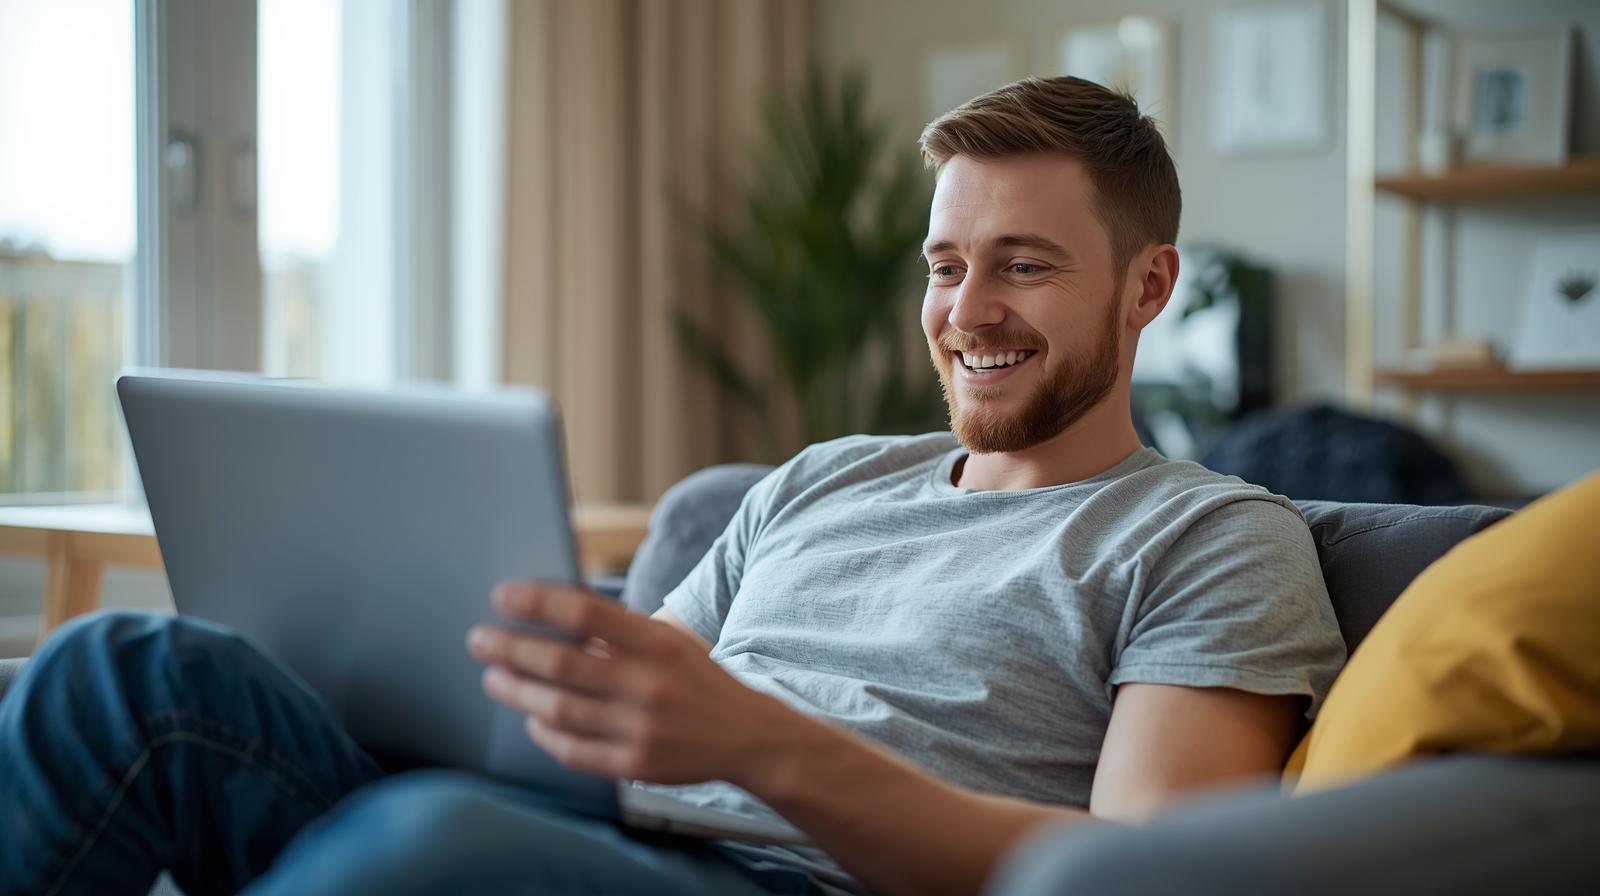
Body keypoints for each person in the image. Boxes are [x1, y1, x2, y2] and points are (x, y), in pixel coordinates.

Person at [0, 77, 1345, 896]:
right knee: (115, 669)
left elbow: (1149, 874)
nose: (967, 309)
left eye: (1025, 264)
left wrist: (761, 742)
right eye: (945, 265)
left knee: (433, 848)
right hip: (592, 822)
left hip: (787, 879)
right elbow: (635, 697)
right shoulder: (821, 479)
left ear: (1147, 286)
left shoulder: (1214, 536)